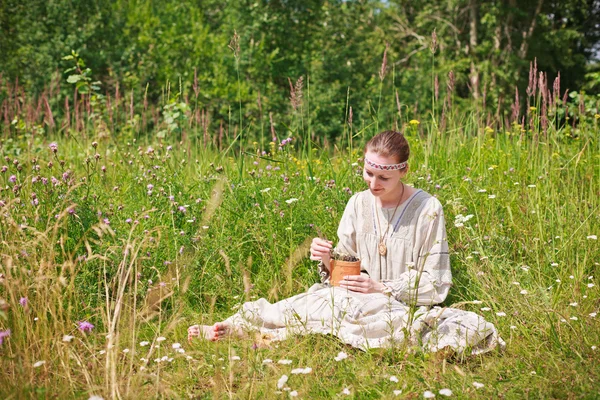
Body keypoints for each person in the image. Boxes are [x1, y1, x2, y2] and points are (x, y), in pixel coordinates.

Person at [188, 131, 504, 354]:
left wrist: (384, 288)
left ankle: (263, 336)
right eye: (368, 174)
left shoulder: (428, 208)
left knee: (388, 324)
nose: (373, 184)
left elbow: (435, 279)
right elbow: (345, 273)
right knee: (308, 304)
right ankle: (233, 326)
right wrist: (326, 259)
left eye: (383, 178)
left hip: (399, 301)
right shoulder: (357, 203)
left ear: (403, 171)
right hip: (353, 295)